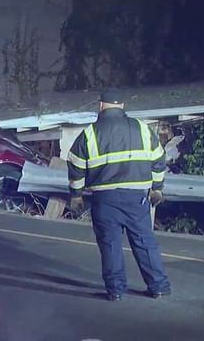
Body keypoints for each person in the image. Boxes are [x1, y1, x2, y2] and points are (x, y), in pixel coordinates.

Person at [67, 90, 171, 301]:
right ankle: (158, 286)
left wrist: (76, 195)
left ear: (101, 106)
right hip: (136, 198)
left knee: (110, 245)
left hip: (105, 200)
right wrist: (157, 188)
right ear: (122, 105)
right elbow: (159, 159)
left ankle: (115, 290)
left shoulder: (90, 133)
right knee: (144, 241)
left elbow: (76, 164)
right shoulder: (142, 128)